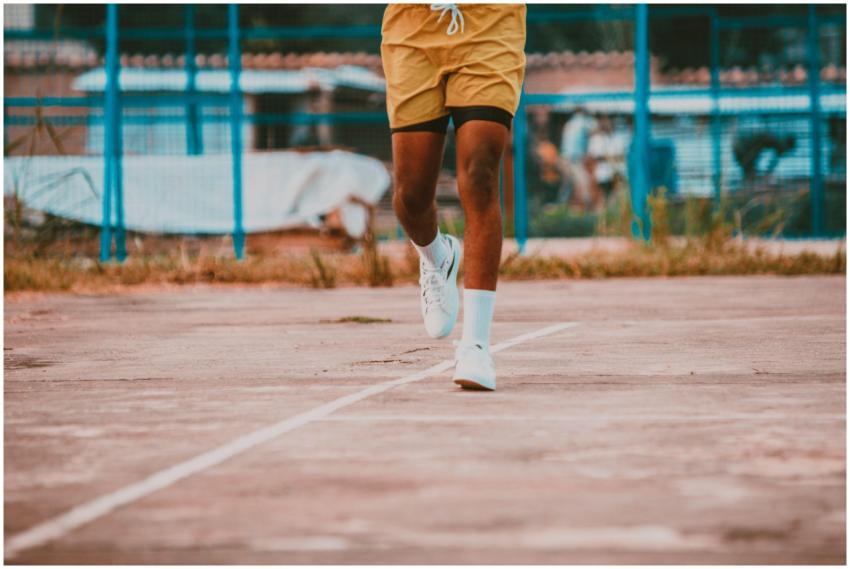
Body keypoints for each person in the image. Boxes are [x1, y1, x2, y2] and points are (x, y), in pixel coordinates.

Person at [381, 4, 526, 391]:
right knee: (411, 196)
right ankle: (437, 256)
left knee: (480, 174)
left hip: (489, 22)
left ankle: (475, 345)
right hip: (413, 26)